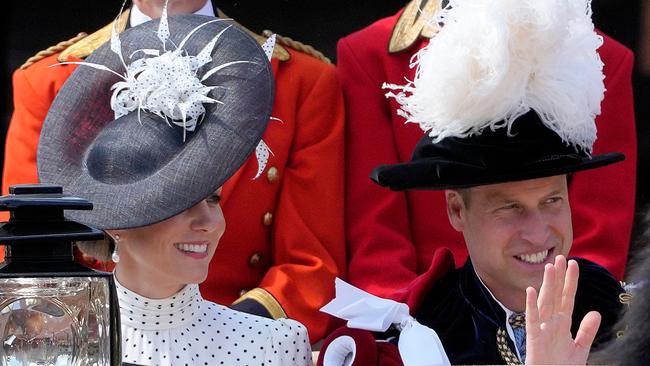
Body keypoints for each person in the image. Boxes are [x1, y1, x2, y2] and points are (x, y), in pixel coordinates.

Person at [2, 0, 345, 342]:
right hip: (98, 339)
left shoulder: (302, 81)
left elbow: (310, 269)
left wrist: (230, 338)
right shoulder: (49, 80)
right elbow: (31, 267)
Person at [318, 0, 625, 364]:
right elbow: (378, 241)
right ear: (455, 209)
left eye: (552, 200)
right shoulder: (411, 343)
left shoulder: (621, 313)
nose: (538, 231)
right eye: (509, 207)